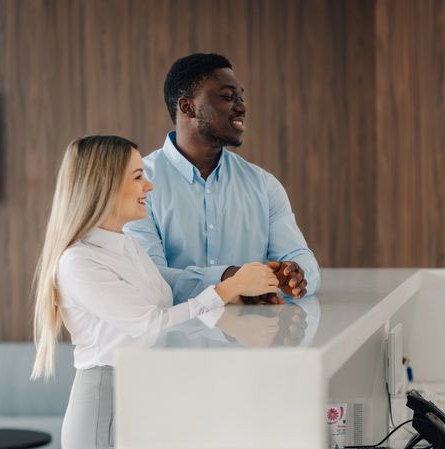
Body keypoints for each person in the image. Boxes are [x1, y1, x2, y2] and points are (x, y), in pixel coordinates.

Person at [31, 135, 280, 449]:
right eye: (137, 177)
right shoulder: (78, 262)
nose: (149, 185)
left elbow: (171, 307)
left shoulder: (127, 245)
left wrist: (233, 308)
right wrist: (229, 286)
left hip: (140, 404)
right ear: (103, 186)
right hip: (106, 420)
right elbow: (152, 325)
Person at [124, 53, 319, 305]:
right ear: (187, 107)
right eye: (228, 97)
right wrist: (232, 280)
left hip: (255, 339)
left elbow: (302, 259)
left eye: (241, 97)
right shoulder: (138, 184)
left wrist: (295, 275)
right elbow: (150, 279)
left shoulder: (263, 185)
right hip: (170, 340)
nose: (242, 107)